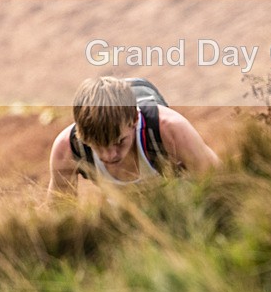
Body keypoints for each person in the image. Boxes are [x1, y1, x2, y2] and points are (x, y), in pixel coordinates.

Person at [47, 76, 220, 199]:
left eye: (119, 142)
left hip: (181, 196)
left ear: (135, 121)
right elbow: (59, 214)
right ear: (81, 134)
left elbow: (221, 182)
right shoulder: (67, 149)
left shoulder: (171, 129)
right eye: (97, 146)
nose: (109, 155)